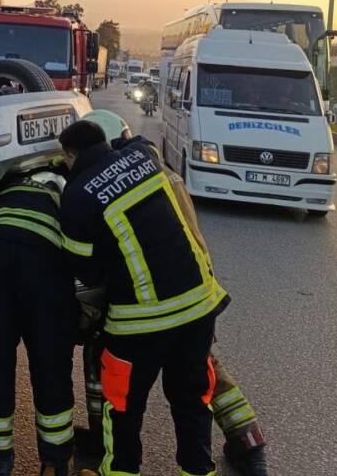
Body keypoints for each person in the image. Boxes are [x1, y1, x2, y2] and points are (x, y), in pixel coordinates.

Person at [80, 110, 268, 476]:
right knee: (199, 374)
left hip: (160, 298)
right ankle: (247, 437)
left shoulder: (118, 181)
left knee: (122, 375)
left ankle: (109, 448)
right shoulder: (157, 171)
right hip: (195, 292)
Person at [58, 119, 228, 476]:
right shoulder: (144, 155)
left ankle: (122, 472)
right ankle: (198, 470)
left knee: (123, 407)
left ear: (70, 155)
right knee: (192, 401)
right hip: (198, 306)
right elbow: (134, 140)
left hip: (139, 322)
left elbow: (86, 271)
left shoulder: (76, 197)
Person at [0, 146, 78, 476]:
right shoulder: (70, 183)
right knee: (51, 366)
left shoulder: (9, 175)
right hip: (43, 265)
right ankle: (56, 463)